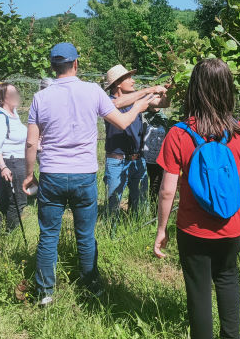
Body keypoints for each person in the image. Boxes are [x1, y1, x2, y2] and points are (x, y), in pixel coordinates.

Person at [153, 58, 240, 339]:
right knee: (227, 280)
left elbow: (168, 189)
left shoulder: (179, 134)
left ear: (194, 89)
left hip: (193, 229)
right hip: (231, 226)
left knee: (199, 290)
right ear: (228, 89)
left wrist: (161, 230)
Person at [22, 43, 154, 306]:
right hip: (84, 174)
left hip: (52, 174)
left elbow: (31, 143)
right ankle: (92, 285)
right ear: (76, 64)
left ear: (52, 66)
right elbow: (123, 121)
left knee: (48, 234)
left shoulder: (40, 98)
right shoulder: (92, 91)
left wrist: (29, 175)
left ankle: (45, 291)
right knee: (85, 234)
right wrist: (138, 107)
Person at [102, 64, 168, 221]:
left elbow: (163, 104)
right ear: (118, 83)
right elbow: (117, 104)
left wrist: (167, 91)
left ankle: (137, 229)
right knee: (113, 204)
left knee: (140, 203)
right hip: (116, 160)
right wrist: (147, 90)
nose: (133, 81)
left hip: (138, 159)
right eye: (129, 78)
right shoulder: (107, 101)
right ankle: (111, 233)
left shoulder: (136, 100)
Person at [0, 82, 28, 231]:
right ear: (3, 98)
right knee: (19, 200)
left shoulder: (14, 114)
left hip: (19, 161)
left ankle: (1, 227)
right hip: (11, 162)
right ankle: (10, 232)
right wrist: (3, 166)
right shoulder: (1, 117)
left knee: (10, 199)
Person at [142, 109, 171, 202]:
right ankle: (141, 211)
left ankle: (154, 212)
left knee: (156, 186)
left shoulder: (164, 119)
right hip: (144, 159)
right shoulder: (143, 117)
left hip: (158, 159)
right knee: (143, 186)